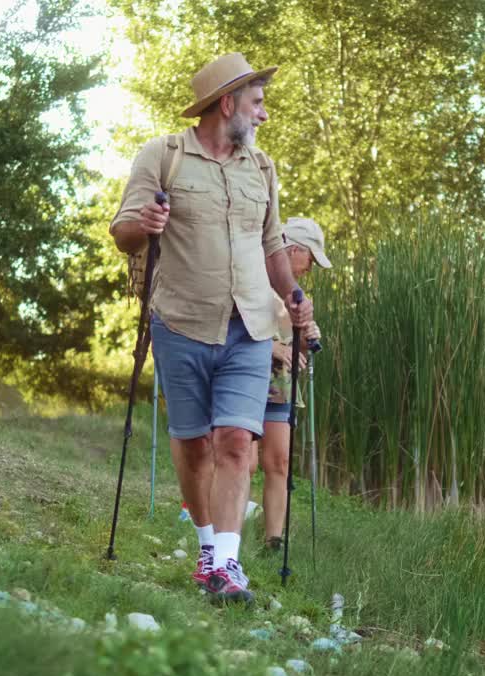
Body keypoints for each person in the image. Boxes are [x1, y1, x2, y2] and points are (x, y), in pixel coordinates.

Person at [110, 53, 313, 603]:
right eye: (257, 102)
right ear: (228, 104)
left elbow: (273, 245)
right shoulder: (163, 156)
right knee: (194, 444)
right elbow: (123, 233)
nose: (264, 115)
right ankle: (206, 547)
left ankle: (226, 565)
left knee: (234, 442)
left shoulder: (262, 168)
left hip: (249, 324)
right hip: (180, 321)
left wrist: (292, 297)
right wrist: (143, 224)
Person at [252, 217, 330, 551]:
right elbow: (228, 330)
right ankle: (222, 536)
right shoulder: (252, 275)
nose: (309, 269)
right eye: (310, 259)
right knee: (245, 458)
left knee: (279, 461)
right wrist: (276, 348)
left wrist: (303, 336)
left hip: (280, 384)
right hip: (246, 373)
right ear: (294, 249)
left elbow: (294, 348)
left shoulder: (296, 295)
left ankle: (274, 541)